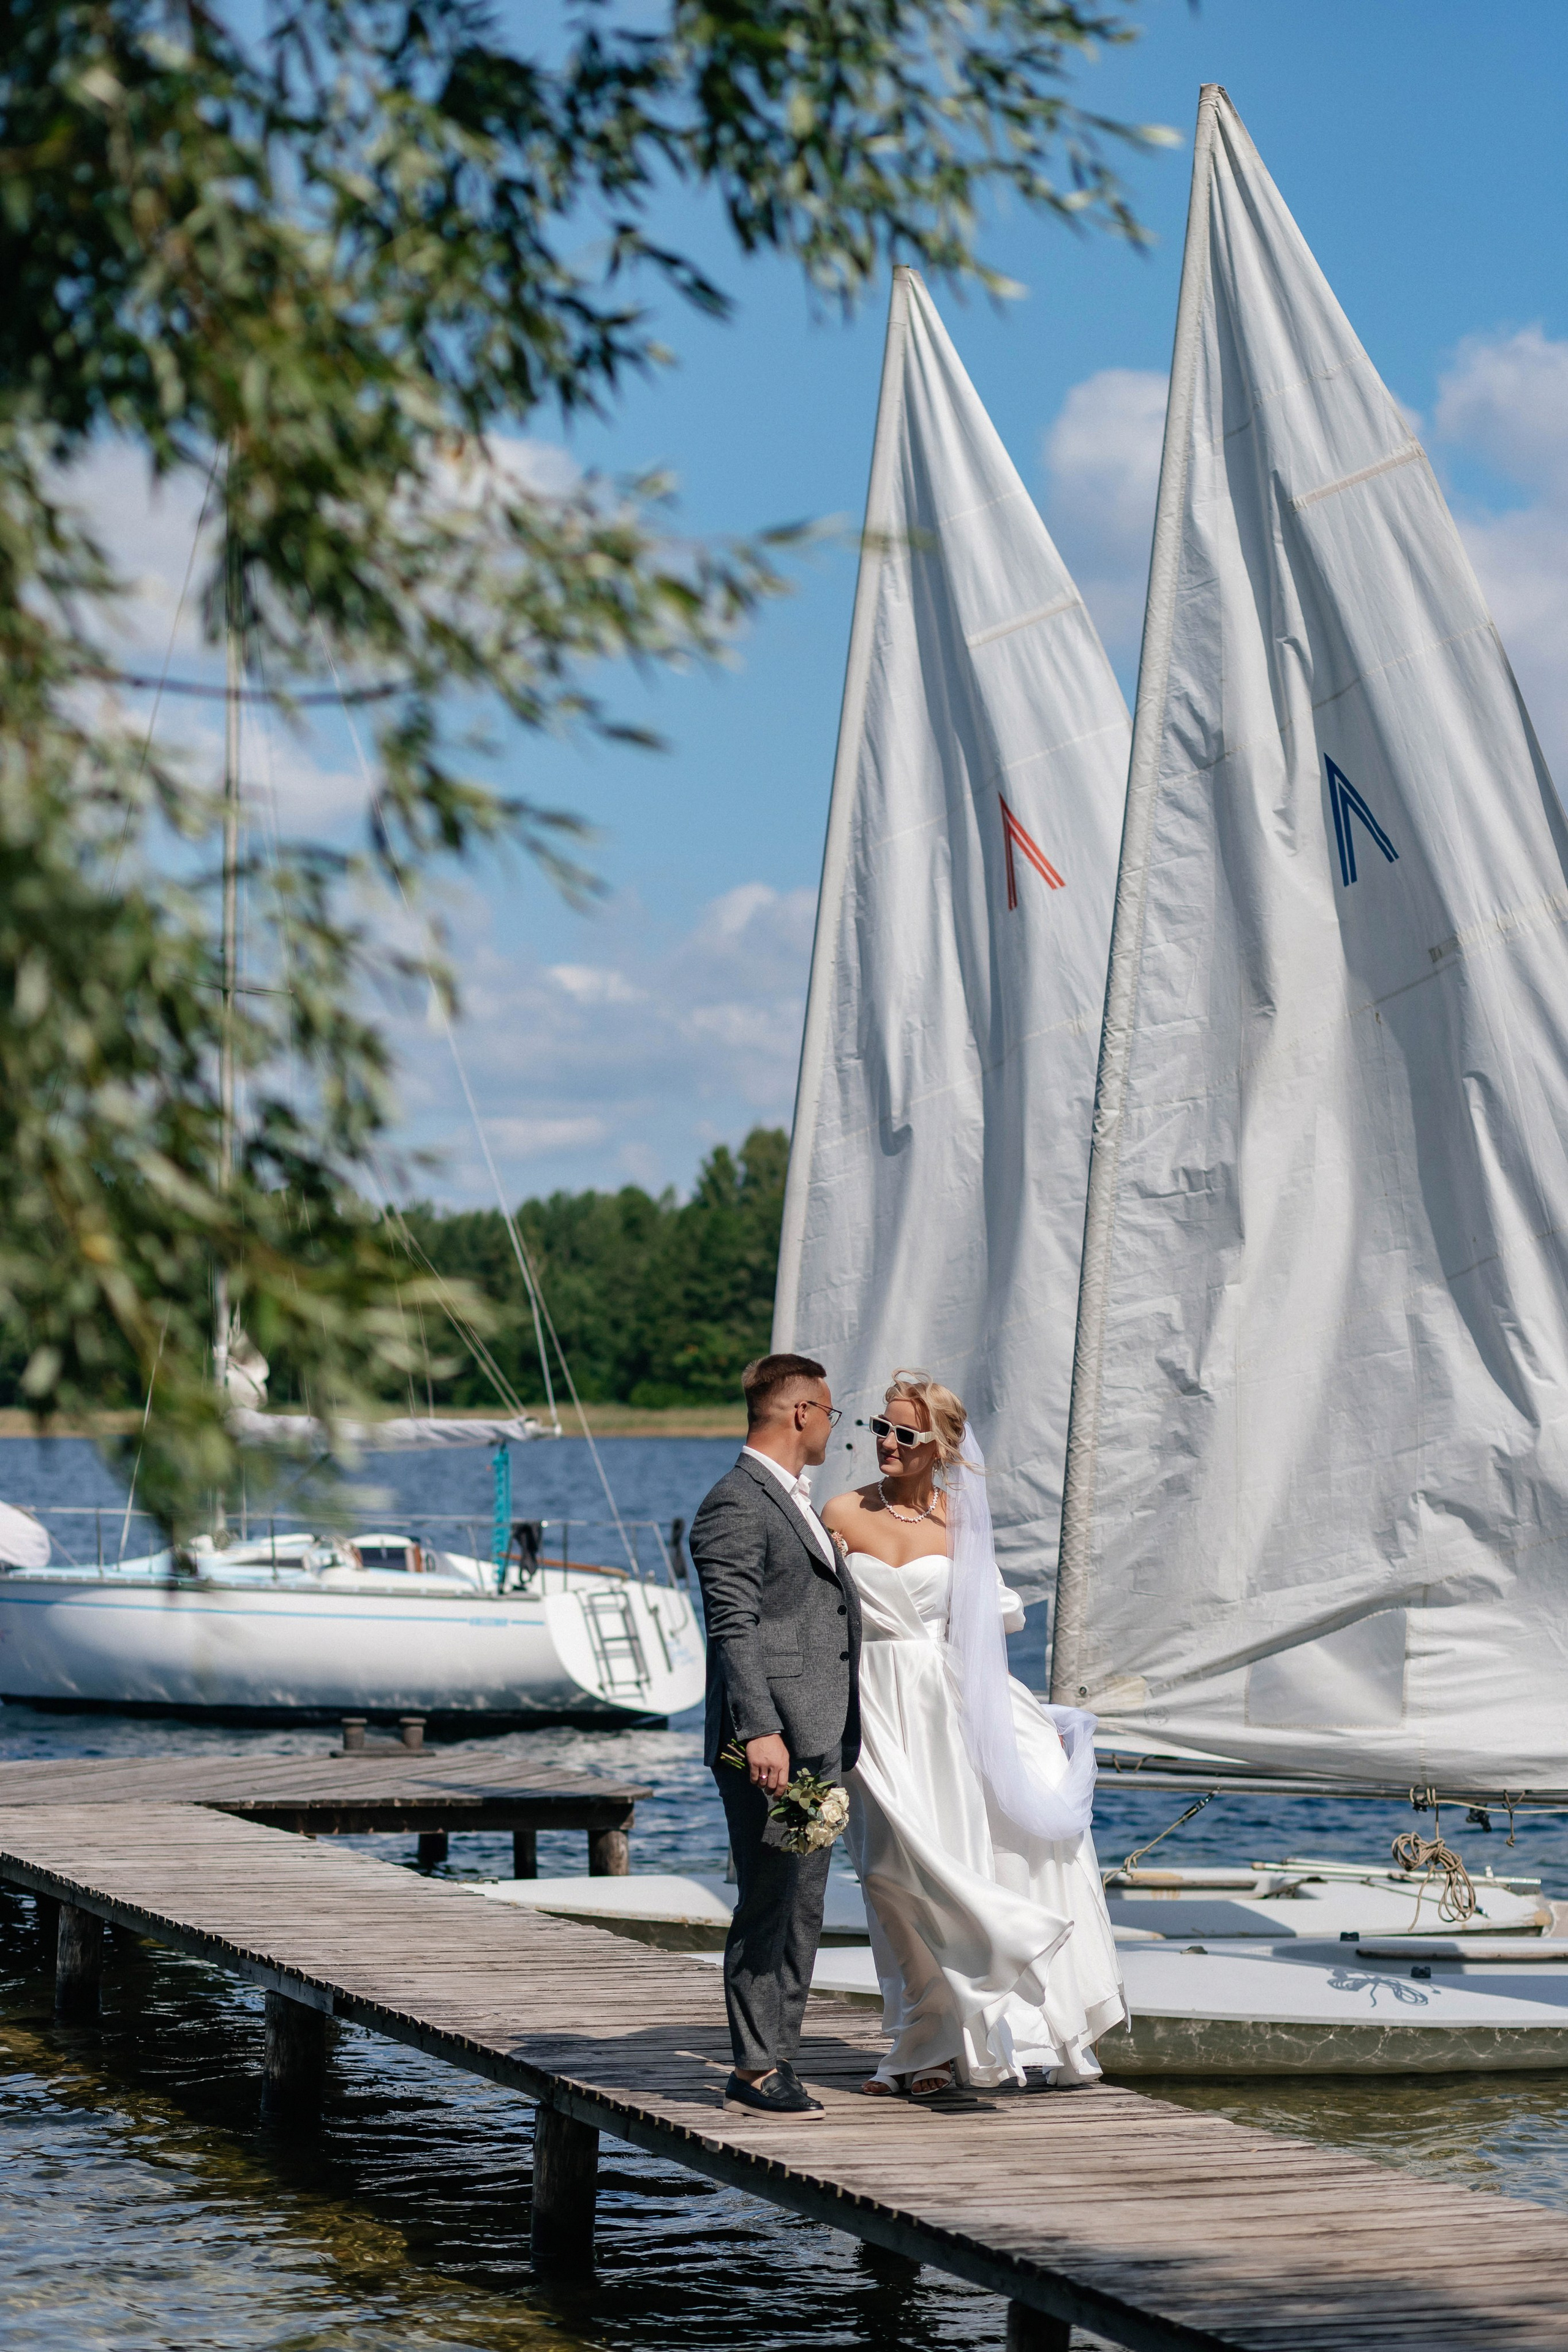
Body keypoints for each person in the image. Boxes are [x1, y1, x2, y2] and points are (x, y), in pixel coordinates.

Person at [820, 1371, 1125, 2097]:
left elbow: (980, 1641)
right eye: (878, 1428)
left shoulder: (962, 1525)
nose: (885, 1444)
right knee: (888, 1875)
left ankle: (946, 2049)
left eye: (904, 1434)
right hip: (870, 1707)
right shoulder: (839, 1511)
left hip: (942, 1710)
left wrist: (1024, 1725)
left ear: (939, 1449)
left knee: (949, 1860)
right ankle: (928, 2034)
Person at [688, 1352, 862, 2120]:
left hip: (813, 1737)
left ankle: (773, 2058)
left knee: (800, 1902)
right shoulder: (736, 1501)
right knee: (770, 1898)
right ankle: (756, 2070)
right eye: (828, 1411)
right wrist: (759, 1729)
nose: (832, 1425)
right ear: (800, 1413)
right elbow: (734, 1627)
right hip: (770, 1744)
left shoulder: (794, 1500)